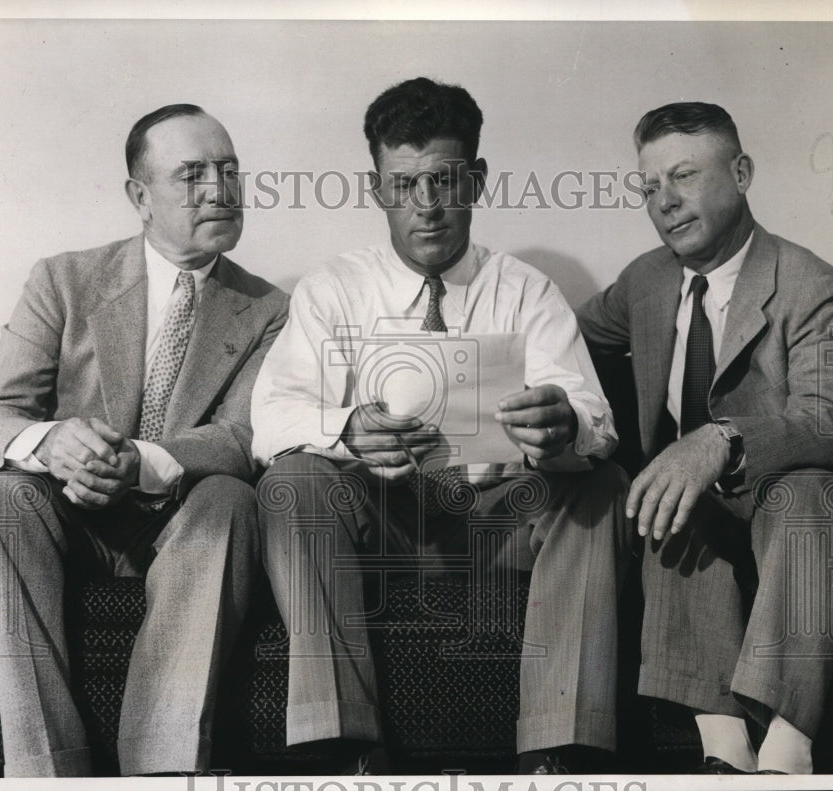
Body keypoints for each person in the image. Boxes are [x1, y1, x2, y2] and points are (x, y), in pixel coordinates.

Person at [251, 77, 630, 775]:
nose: (426, 205)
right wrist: (346, 428)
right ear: (377, 189)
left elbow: (597, 419)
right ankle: (345, 751)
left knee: (599, 482)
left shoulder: (526, 290)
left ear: (476, 180)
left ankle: (558, 755)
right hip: (379, 522)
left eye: (445, 180)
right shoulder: (333, 289)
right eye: (404, 185)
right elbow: (270, 419)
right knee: (293, 478)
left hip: (498, 521)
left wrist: (564, 422)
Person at [0, 104, 289, 776]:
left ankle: (162, 770)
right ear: (140, 197)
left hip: (182, 524)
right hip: (62, 520)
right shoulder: (64, 280)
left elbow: (244, 437)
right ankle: (48, 771)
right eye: (192, 174)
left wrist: (141, 462)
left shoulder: (269, 308)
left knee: (230, 499)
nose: (220, 190)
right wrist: (52, 442)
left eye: (229, 170)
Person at [576, 101, 833, 775]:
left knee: (803, 497)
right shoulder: (646, 280)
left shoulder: (813, 286)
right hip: (704, 513)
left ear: (741, 174)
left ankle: (788, 752)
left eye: (683, 175)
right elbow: (562, 336)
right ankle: (725, 754)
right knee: (665, 489)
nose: (664, 201)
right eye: (649, 186)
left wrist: (721, 440)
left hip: (799, 508)